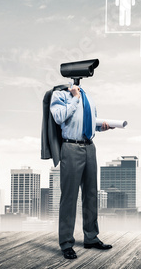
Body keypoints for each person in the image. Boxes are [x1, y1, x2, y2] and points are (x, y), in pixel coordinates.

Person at [50, 84, 113, 259]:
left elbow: (90, 121)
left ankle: (91, 237)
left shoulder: (89, 97)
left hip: (90, 147)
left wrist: (101, 126)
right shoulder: (60, 95)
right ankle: (66, 243)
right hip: (70, 146)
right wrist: (75, 98)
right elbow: (58, 117)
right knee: (69, 197)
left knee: (91, 194)